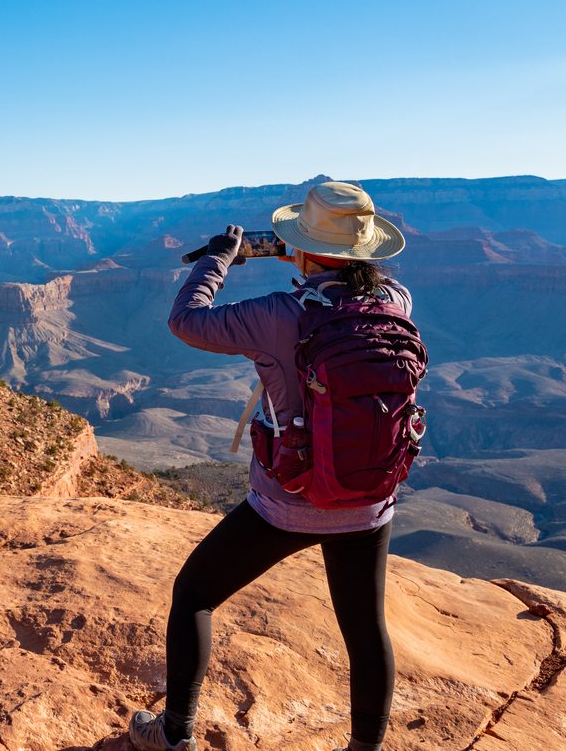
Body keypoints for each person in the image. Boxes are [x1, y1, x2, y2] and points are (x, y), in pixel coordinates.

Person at [129, 182, 410, 751]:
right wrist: (303, 251)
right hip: (368, 505)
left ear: (303, 246)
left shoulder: (277, 315)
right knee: (366, 631)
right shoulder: (396, 302)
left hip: (288, 504)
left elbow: (187, 319)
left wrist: (221, 258)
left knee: (194, 594)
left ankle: (173, 734)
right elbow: (341, 273)